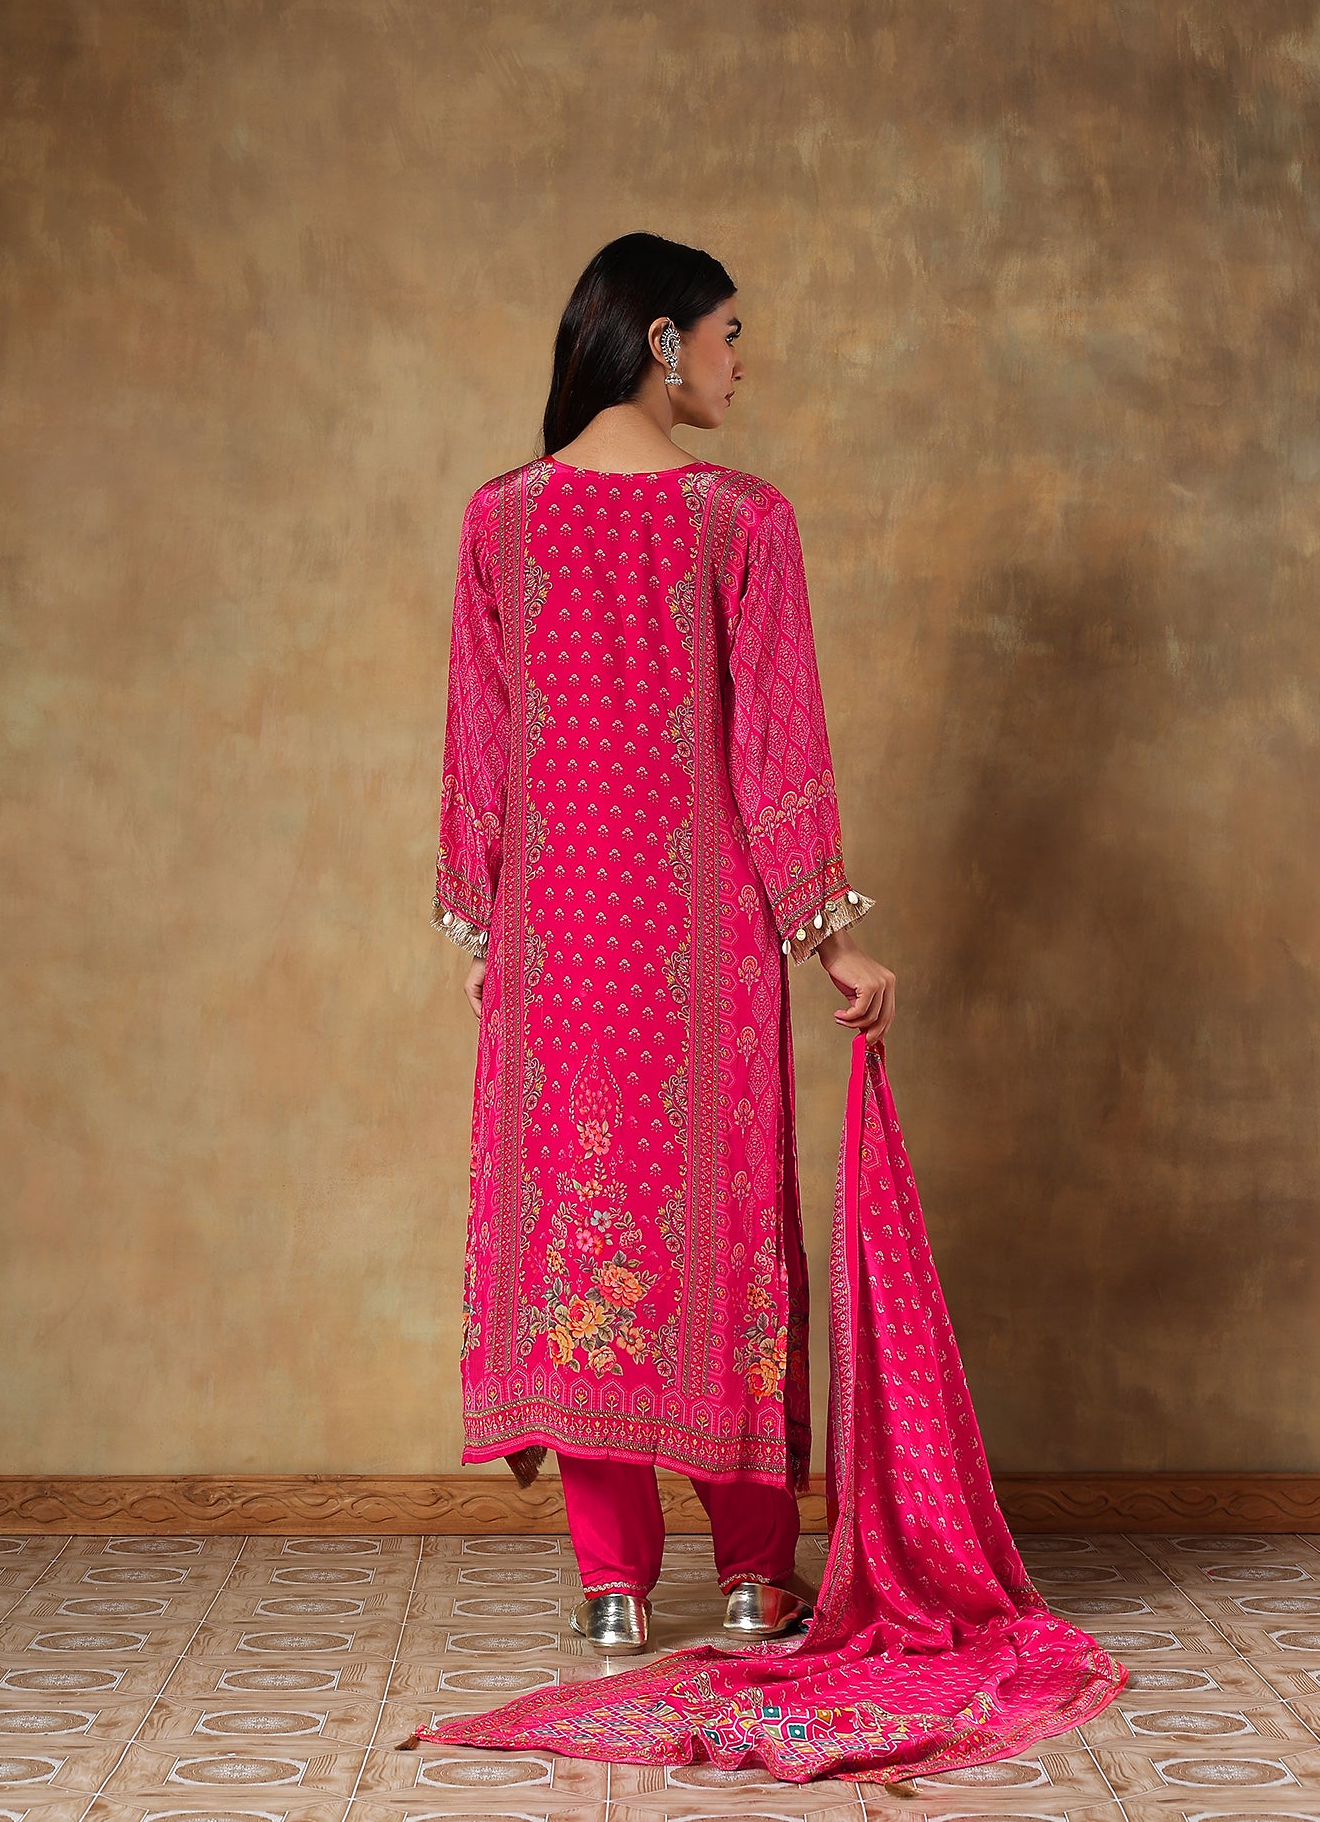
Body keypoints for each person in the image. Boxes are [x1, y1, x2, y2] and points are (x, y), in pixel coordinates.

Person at [432, 231, 896, 1654]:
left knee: (580, 1230)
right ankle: (754, 1573)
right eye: (730, 334)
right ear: (660, 339)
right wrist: (830, 939)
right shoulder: (741, 522)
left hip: (557, 948)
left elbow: (480, 746)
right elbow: (776, 750)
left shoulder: (501, 520)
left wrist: (483, 925)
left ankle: (614, 1586)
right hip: (703, 951)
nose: (743, 362)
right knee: (722, 1225)